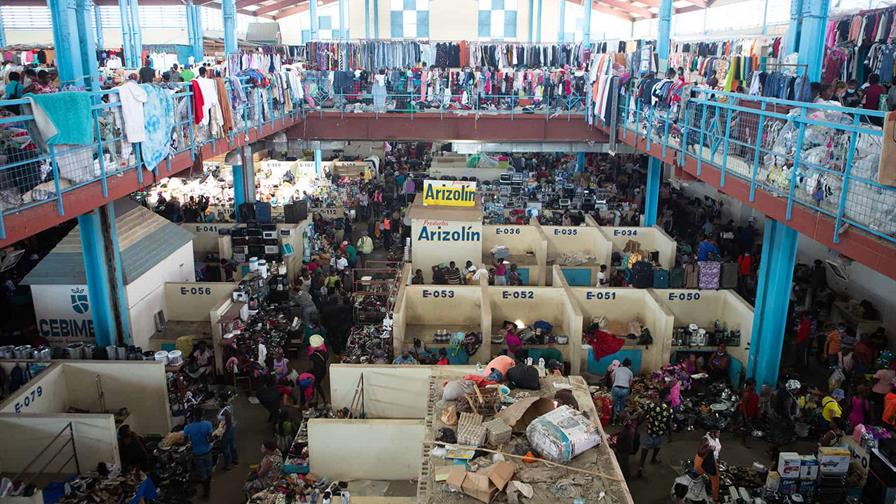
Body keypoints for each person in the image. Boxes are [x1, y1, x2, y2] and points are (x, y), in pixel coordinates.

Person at [638, 387, 673, 478]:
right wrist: (670, 436)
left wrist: (636, 426)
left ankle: (641, 466)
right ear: (665, 397)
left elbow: (642, 417)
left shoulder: (651, 405)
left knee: (645, 448)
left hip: (650, 432)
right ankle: (653, 459)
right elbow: (668, 425)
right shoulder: (668, 410)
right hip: (659, 434)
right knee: (657, 446)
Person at [183, 408, 215, 500]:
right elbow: (210, 439)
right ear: (202, 414)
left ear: (193, 416)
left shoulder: (188, 427)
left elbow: (185, 441)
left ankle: (206, 494)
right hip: (207, 452)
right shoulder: (208, 424)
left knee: (202, 474)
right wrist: (213, 438)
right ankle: (208, 489)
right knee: (209, 471)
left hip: (197, 454)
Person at [694, 429, 721, 502]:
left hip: (712, 460)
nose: (719, 433)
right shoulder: (706, 440)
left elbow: (717, 450)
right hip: (703, 461)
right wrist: (708, 448)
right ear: (712, 432)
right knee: (699, 478)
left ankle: (713, 495)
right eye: (718, 432)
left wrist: (717, 460)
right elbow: (700, 452)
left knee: (714, 480)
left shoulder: (716, 438)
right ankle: (713, 498)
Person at [613, 412, 639, 480]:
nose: (629, 421)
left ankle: (627, 477)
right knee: (623, 463)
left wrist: (615, 443)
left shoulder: (627, 431)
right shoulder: (629, 427)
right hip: (625, 449)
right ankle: (627, 476)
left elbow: (622, 441)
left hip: (623, 450)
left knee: (624, 464)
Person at [217, 392, 238, 471]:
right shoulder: (229, 406)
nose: (217, 401)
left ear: (222, 400)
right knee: (232, 444)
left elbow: (228, 421)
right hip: (233, 427)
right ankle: (235, 460)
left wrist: (225, 432)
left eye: (219, 400)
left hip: (228, 429)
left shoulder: (225, 411)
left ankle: (228, 465)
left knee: (225, 447)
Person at [737, 378, 759, 446]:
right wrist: (746, 418)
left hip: (751, 412)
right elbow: (744, 407)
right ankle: (743, 442)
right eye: (753, 385)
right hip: (746, 413)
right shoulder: (746, 394)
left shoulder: (753, 392)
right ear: (749, 385)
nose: (754, 386)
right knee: (746, 428)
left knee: (747, 427)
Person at [611, 359, 634, 424]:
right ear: (629, 365)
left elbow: (612, 376)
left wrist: (614, 384)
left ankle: (613, 421)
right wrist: (627, 388)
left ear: (623, 364)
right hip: (625, 389)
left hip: (616, 388)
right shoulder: (630, 372)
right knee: (622, 406)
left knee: (615, 405)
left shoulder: (617, 369)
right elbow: (630, 382)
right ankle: (620, 422)